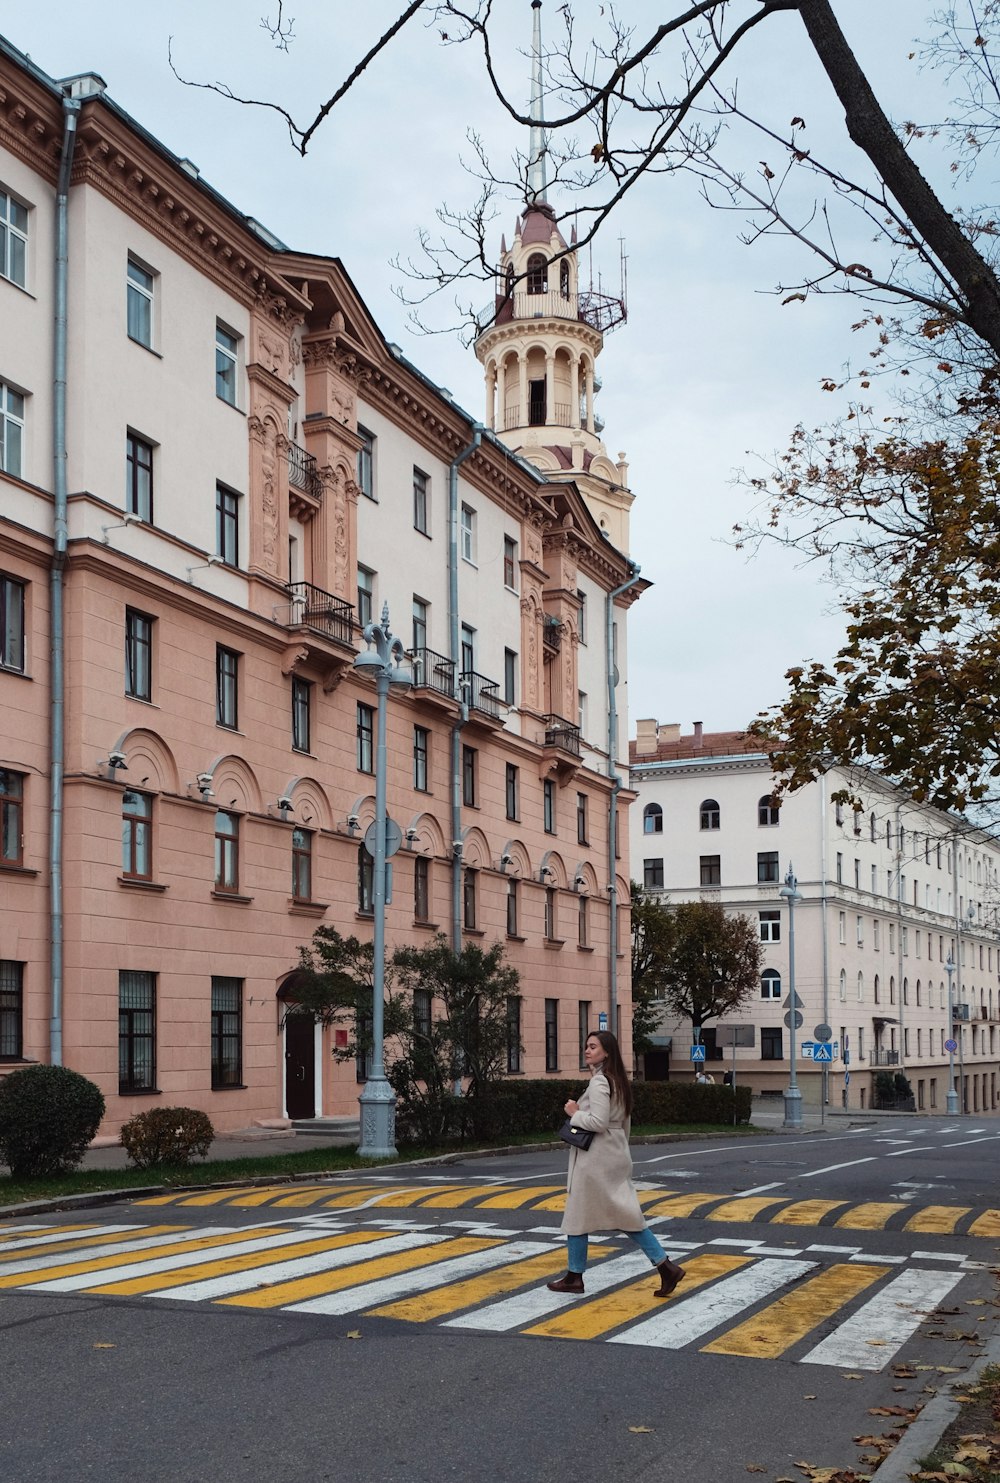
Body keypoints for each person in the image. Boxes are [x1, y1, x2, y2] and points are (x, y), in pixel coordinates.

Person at [546, 1029, 686, 1298]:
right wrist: (621, 1150)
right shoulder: (619, 1080)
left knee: (578, 1214)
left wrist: (574, 1114)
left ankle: (575, 1277)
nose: (587, 1051)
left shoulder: (600, 1082)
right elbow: (624, 1124)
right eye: (586, 1046)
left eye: (593, 1047)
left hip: (594, 1159)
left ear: (606, 1052)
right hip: (615, 1153)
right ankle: (665, 1266)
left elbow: (597, 1122)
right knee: (626, 1215)